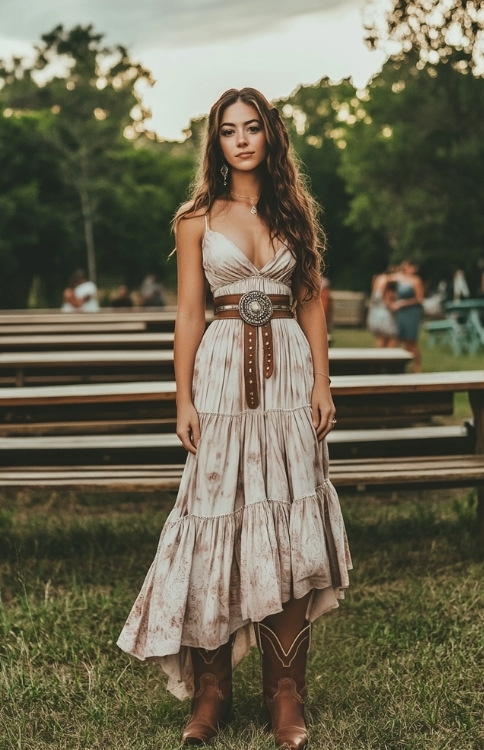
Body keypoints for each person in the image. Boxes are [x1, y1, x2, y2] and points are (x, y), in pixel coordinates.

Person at [117, 87, 351, 749]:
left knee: (287, 520)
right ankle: (212, 692)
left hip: (288, 376)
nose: (241, 140)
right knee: (214, 519)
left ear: (269, 137)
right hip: (220, 375)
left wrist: (323, 385)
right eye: (228, 130)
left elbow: (311, 304)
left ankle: (285, 697)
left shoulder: (294, 211)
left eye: (252, 128)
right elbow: (189, 313)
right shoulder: (195, 218)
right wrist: (182, 399)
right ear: (216, 142)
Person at [390, 260, 424, 372]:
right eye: (408, 265)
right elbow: (383, 279)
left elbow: (419, 299)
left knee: (411, 340)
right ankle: (400, 365)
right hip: (401, 314)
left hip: (411, 312)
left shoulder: (416, 281)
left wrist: (403, 303)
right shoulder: (399, 278)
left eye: (412, 266)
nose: (411, 268)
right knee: (400, 339)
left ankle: (417, 365)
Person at [366, 269, 398, 347]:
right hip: (385, 315)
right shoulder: (386, 280)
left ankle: (380, 358)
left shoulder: (377, 279)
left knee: (380, 339)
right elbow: (387, 300)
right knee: (392, 338)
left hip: (375, 314)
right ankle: (389, 358)